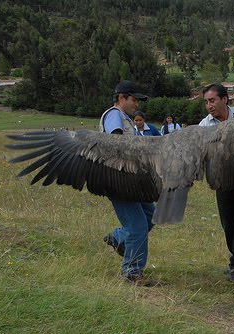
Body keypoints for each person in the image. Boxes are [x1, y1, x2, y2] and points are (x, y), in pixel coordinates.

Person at [99, 80, 158, 287]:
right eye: (134, 100)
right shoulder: (114, 115)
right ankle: (132, 272)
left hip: (133, 181)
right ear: (122, 97)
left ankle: (117, 238)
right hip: (119, 180)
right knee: (138, 225)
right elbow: (117, 142)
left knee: (151, 215)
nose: (137, 105)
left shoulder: (127, 119)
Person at [199, 84, 234, 285]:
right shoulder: (205, 126)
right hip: (222, 180)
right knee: (228, 224)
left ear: (225, 99)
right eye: (206, 102)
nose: (209, 106)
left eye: (212, 100)